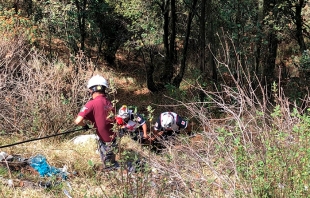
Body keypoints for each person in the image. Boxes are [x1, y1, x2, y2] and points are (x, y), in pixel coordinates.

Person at [74, 74, 117, 169]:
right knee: (111, 164)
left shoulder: (91, 104)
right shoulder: (109, 103)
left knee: (109, 168)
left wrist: (84, 126)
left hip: (106, 144)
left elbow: (78, 121)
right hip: (113, 140)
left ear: (91, 90)